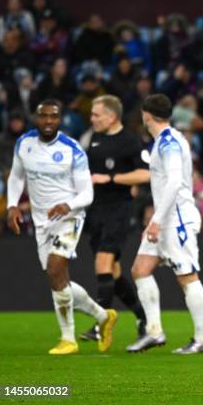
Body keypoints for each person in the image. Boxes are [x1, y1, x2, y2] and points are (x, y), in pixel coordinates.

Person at [6, 99, 117, 355]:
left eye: (53, 116)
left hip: (69, 218)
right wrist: (12, 205)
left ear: (60, 119)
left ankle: (68, 338)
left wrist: (68, 206)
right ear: (36, 118)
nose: (48, 121)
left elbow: (87, 193)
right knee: (58, 279)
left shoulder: (73, 150)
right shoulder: (24, 144)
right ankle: (103, 316)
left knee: (56, 268)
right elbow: (16, 176)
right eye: (43, 116)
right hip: (42, 222)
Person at [126, 94, 203, 355]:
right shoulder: (166, 140)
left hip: (176, 219)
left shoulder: (169, 142)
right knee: (140, 269)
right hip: (165, 218)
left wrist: (156, 220)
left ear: (146, 115)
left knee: (187, 276)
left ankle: (202, 338)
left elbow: (174, 182)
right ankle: (154, 331)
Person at [79, 95, 150, 342]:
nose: (92, 119)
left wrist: (111, 179)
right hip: (95, 209)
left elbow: (144, 174)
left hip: (118, 209)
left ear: (112, 116)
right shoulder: (95, 138)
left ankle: (100, 322)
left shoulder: (130, 141)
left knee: (102, 263)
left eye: (97, 115)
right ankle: (143, 316)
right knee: (113, 272)